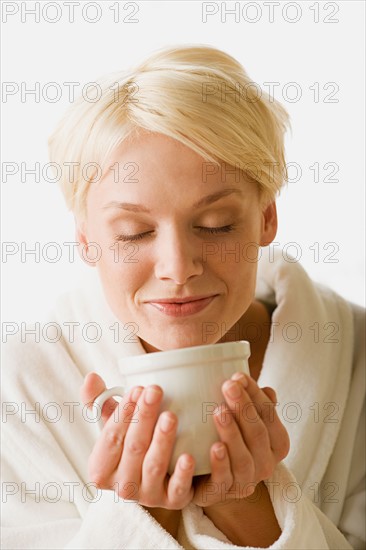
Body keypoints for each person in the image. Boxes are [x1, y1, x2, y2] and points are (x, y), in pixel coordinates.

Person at [2, 45, 365, 549]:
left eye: (216, 224)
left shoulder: (356, 358)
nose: (178, 268)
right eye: (132, 232)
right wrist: (137, 515)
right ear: (85, 239)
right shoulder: (20, 385)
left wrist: (251, 506)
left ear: (265, 218)